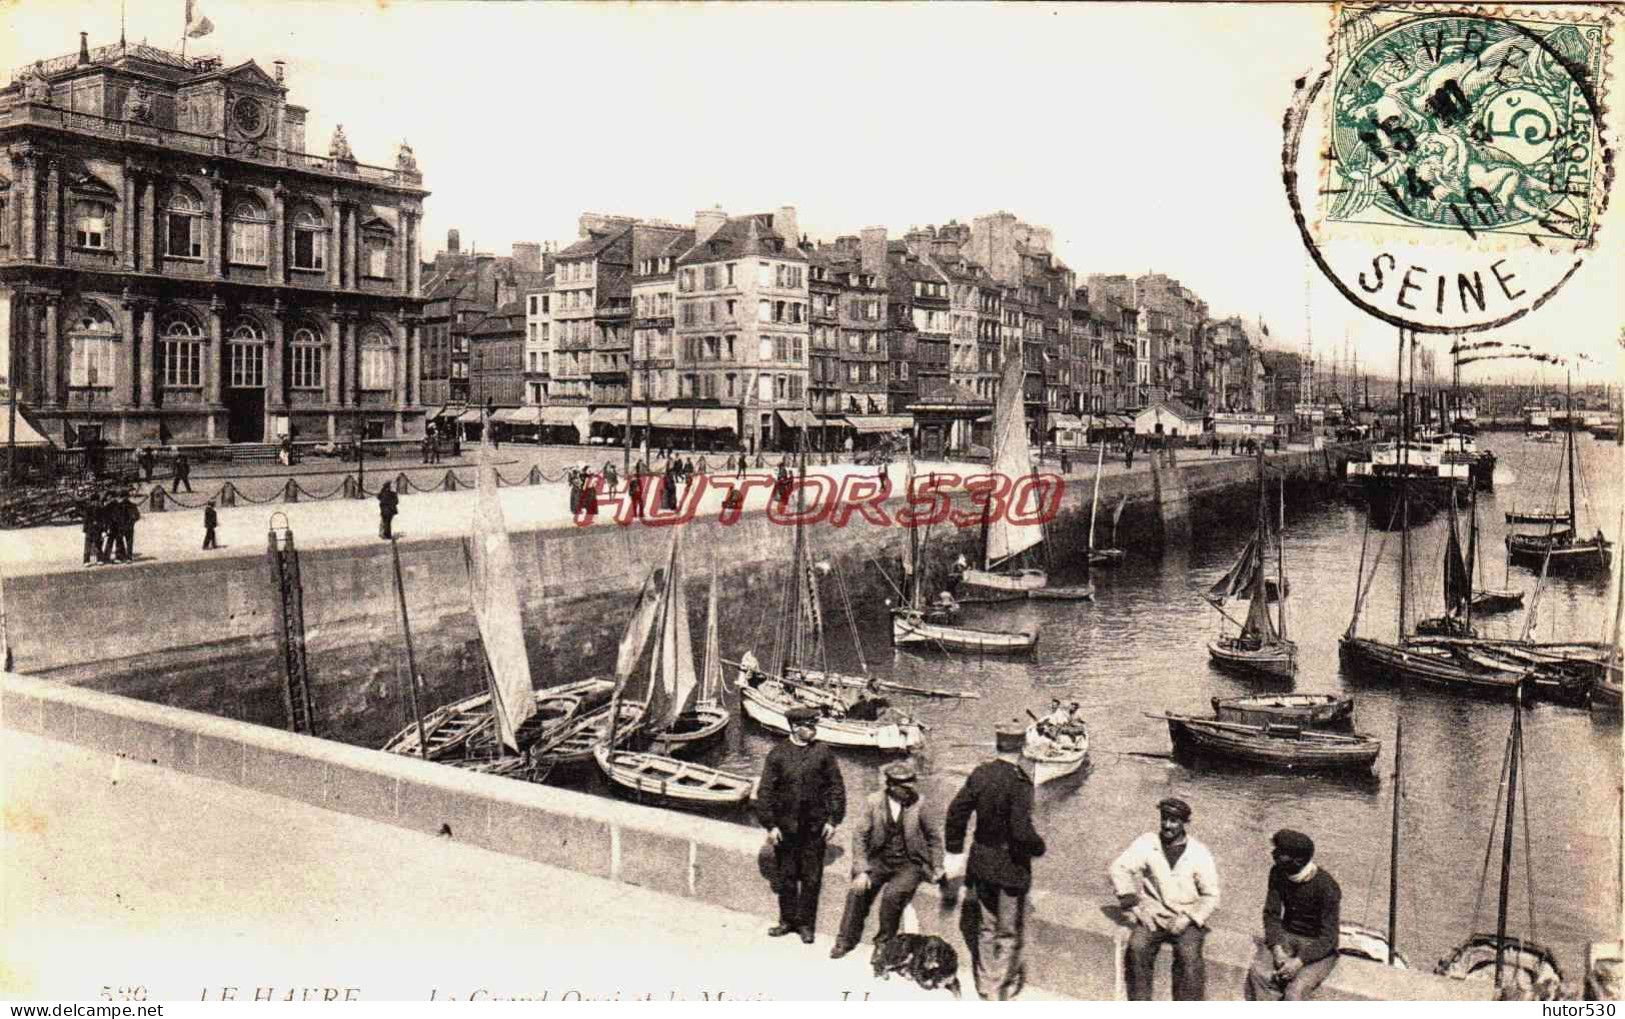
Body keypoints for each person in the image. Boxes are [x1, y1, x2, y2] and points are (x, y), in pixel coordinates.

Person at [944, 723, 1047, 1000]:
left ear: (999, 744)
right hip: (1009, 867)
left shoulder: (982, 773)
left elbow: (956, 813)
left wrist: (954, 850)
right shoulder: (1020, 782)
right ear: (1023, 747)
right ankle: (998, 987)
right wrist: (1038, 847)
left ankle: (985, 983)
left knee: (986, 926)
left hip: (981, 862)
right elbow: (1020, 831)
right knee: (1008, 931)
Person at [1109, 797, 1222, 1001]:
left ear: (1184, 823)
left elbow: (1211, 895)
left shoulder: (1199, 852)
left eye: (1174, 821)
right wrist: (1135, 907)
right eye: (1164, 819)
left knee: (1189, 959)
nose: (1167, 825)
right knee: (1137, 948)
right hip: (1153, 915)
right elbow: (1119, 868)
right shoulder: (1147, 843)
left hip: (1185, 917)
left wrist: (1188, 918)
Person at [830, 762, 944, 959]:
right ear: (891, 786)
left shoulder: (919, 803)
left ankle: (883, 944)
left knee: (892, 896)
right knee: (857, 892)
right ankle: (845, 940)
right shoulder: (874, 802)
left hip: (909, 863)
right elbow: (860, 836)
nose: (911, 791)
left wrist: (938, 865)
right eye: (905, 788)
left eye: (912, 786)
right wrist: (862, 870)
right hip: (879, 860)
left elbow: (934, 837)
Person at [757, 705, 846, 945]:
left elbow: (836, 788)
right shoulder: (777, 754)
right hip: (785, 830)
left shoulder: (823, 753)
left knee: (811, 878)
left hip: (814, 829)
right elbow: (765, 792)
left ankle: (806, 925)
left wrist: (833, 820)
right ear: (796, 728)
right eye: (809, 726)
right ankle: (787, 921)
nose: (814, 729)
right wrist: (770, 826)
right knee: (786, 877)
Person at [1246, 830, 1341, 1001]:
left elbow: (1329, 938)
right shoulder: (1277, 872)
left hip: (1317, 945)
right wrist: (1277, 949)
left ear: (1298, 860)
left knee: (1295, 991)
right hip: (1287, 937)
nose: (1273, 854)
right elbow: (1271, 914)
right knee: (1260, 975)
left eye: (1280, 853)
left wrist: (1299, 962)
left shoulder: (1326, 887)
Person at [80, 490, 102, 567]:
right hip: (90, 529)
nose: (95, 503)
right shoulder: (88, 509)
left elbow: (102, 520)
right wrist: (84, 530)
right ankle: (86, 560)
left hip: (98, 529)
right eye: (94, 501)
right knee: (88, 545)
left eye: (97, 501)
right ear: (92, 501)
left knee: (98, 544)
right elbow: (85, 520)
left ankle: (99, 559)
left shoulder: (100, 509)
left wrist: (103, 529)